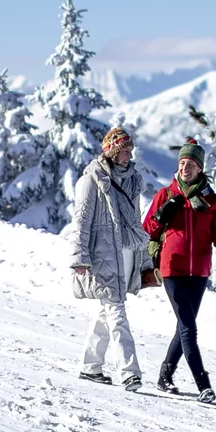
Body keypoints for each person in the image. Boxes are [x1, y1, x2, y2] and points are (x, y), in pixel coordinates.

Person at [142, 138, 216, 404]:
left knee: (184, 326)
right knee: (189, 329)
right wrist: (161, 215)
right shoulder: (166, 195)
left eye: (190, 164)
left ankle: (164, 376)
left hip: (200, 272)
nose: (185, 168)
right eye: (182, 163)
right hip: (172, 268)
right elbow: (147, 229)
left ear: (199, 168)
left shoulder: (210, 200)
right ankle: (203, 384)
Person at [67, 126, 157, 391]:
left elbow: (136, 224)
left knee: (108, 312)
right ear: (111, 152)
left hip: (126, 255)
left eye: (130, 150)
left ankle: (90, 366)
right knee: (117, 312)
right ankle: (129, 372)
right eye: (123, 150)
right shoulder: (91, 180)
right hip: (102, 256)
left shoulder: (132, 181)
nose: (128, 155)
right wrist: (79, 258)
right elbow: (81, 221)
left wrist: (143, 260)